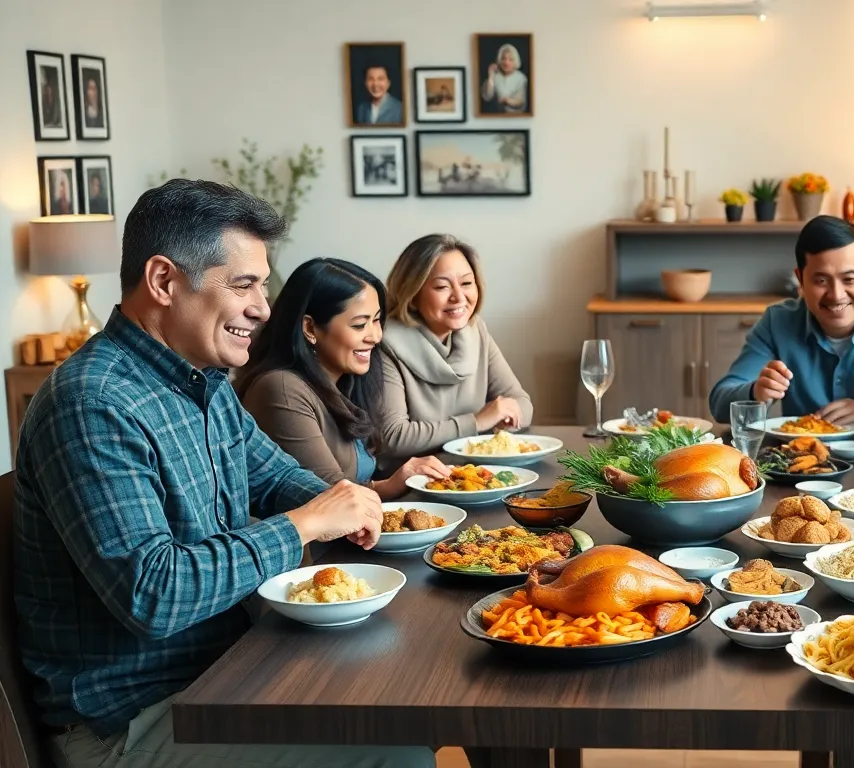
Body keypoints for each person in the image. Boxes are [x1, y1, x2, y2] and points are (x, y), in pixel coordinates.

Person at [12, 179, 434, 768]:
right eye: (244, 285)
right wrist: (304, 525)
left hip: (225, 667)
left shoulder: (202, 380)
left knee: (412, 683)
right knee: (399, 750)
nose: (264, 307)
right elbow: (153, 594)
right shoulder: (91, 402)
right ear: (164, 281)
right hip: (131, 722)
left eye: (262, 284)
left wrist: (353, 509)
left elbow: (274, 475)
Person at [235, 258, 451, 497]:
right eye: (360, 325)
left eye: (377, 321)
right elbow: (329, 494)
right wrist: (390, 485)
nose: (375, 336)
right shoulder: (281, 388)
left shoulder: (345, 380)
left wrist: (400, 478)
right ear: (309, 328)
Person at [709, 215, 854, 431]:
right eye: (821, 280)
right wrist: (755, 392)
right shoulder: (777, 322)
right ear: (800, 279)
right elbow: (720, 403)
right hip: (801, 463)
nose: (837, 294)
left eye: (849, 279)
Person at [378, 233, 532, 465]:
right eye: (442, 286)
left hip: (474, 472)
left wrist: (505, 417)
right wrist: (477, 422)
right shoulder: (384, 343)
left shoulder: (475, 330)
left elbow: (521, 404)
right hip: (410, 485)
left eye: (467, 283)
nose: (459, 297)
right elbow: (394, 437)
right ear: (412, 295)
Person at [481, 43, 528, 114]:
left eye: (510, 59)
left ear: (515, 61)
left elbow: (521, 102)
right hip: (497, 118)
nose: (506, 62)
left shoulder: (521, 78)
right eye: (503, 58)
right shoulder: (496, 76)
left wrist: (506, 100)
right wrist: (491, 76)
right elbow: (487, 97)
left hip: (517, 117)